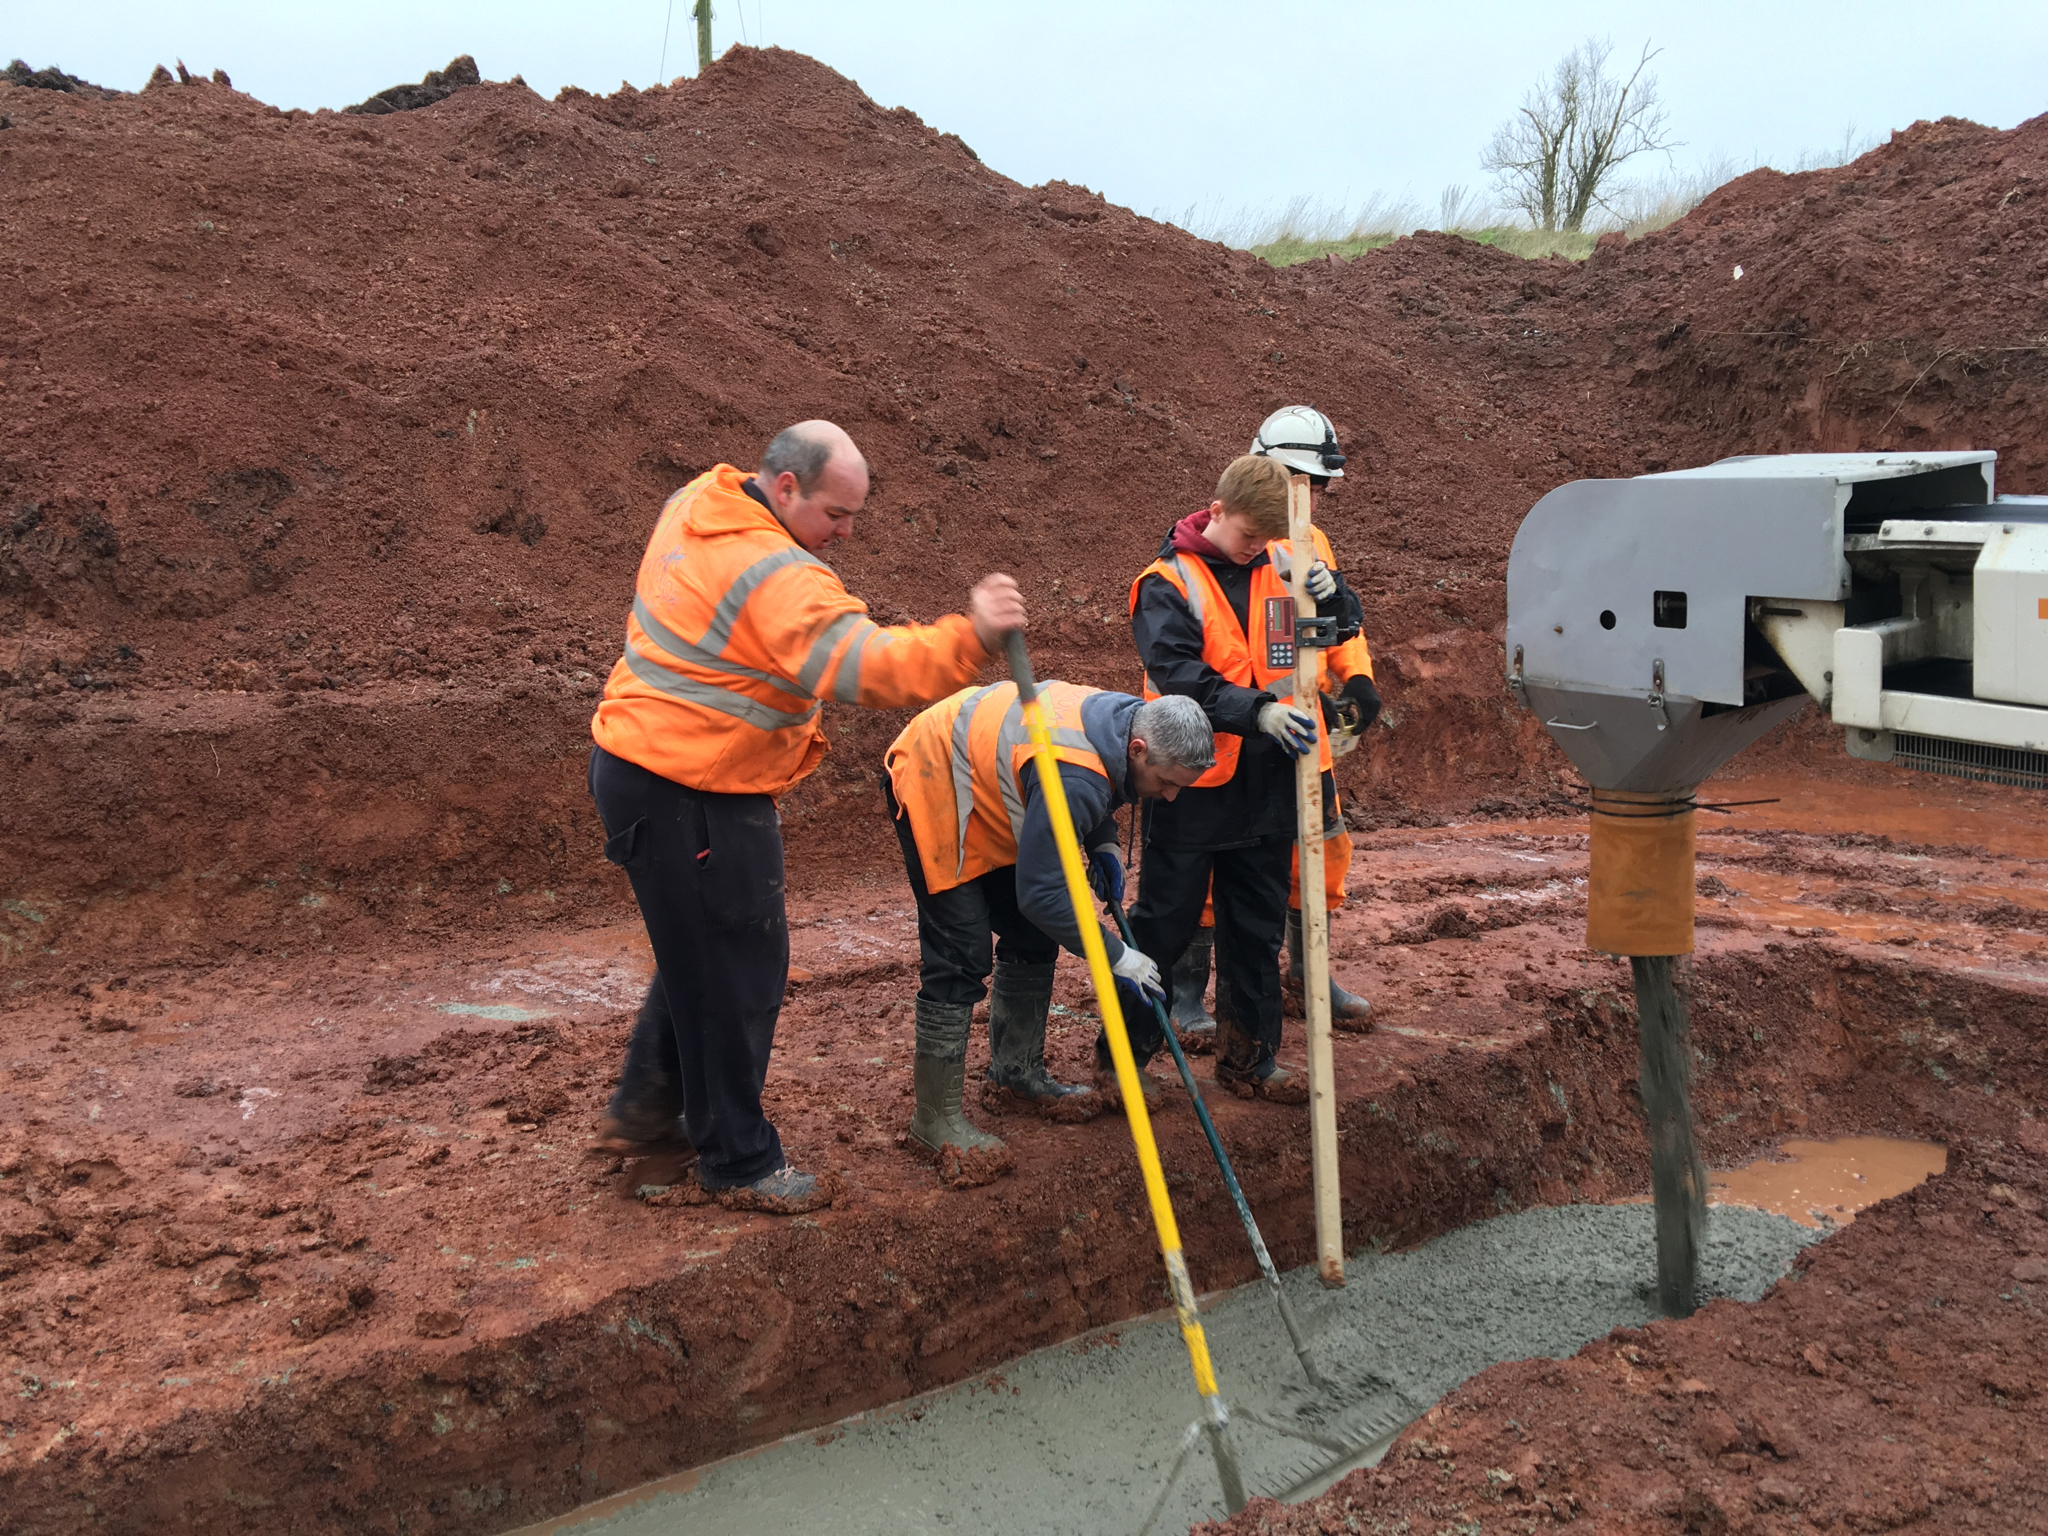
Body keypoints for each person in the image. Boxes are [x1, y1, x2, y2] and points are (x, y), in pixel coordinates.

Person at [587, 420, 1027, 1213]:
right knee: (739, 974)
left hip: (637, 763)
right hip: (695, 787)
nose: (846, 532)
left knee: (700, 956)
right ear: (785, 487)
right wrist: (973, 639)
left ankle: (648, 1113)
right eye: (836, 514)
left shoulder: (699, 501)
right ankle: (736, 1160)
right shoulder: (777, 574)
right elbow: (865, 664)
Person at [1120, 445, 1371, 1101]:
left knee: (1256, 929)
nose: (1255, 547)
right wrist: (1257, 711)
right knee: (1164, 926)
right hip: (1191, 783)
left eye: (1266, 537)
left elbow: (1337, 630)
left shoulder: (1284, 563)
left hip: (1270, 781)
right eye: (1248, 534)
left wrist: (1336, 599)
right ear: (1216, 510)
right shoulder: (1166, 583)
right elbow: (1181, 675)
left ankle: (1250, 1062)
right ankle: (1124, 1063)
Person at [882, 682, 1213, 1159]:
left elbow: (1095, 782)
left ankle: (1015, 1075)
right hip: (935, 776)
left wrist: (1103, 843)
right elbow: (1042, 893)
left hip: (991, 781)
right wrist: (1117, 956)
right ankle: (933, 1120)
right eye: (1166, 781)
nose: (1171, 795)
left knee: (1031, 934)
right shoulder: (1077, 776)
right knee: (960, 952)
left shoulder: (1121, 721)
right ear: (1139, 749)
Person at [1166, 407, 1382, 1037]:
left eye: (1314, 485)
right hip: (1232, 736)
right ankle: (1188, 991)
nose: (1305, 495)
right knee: (1216, 875)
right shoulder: (1232, 545)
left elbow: (1333, 623)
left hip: (1300, 735)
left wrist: (1357, 679)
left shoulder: (1311, 544)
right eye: (1296, 480)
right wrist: (1255, 709)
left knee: (1321, 852)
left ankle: (1309, 971)